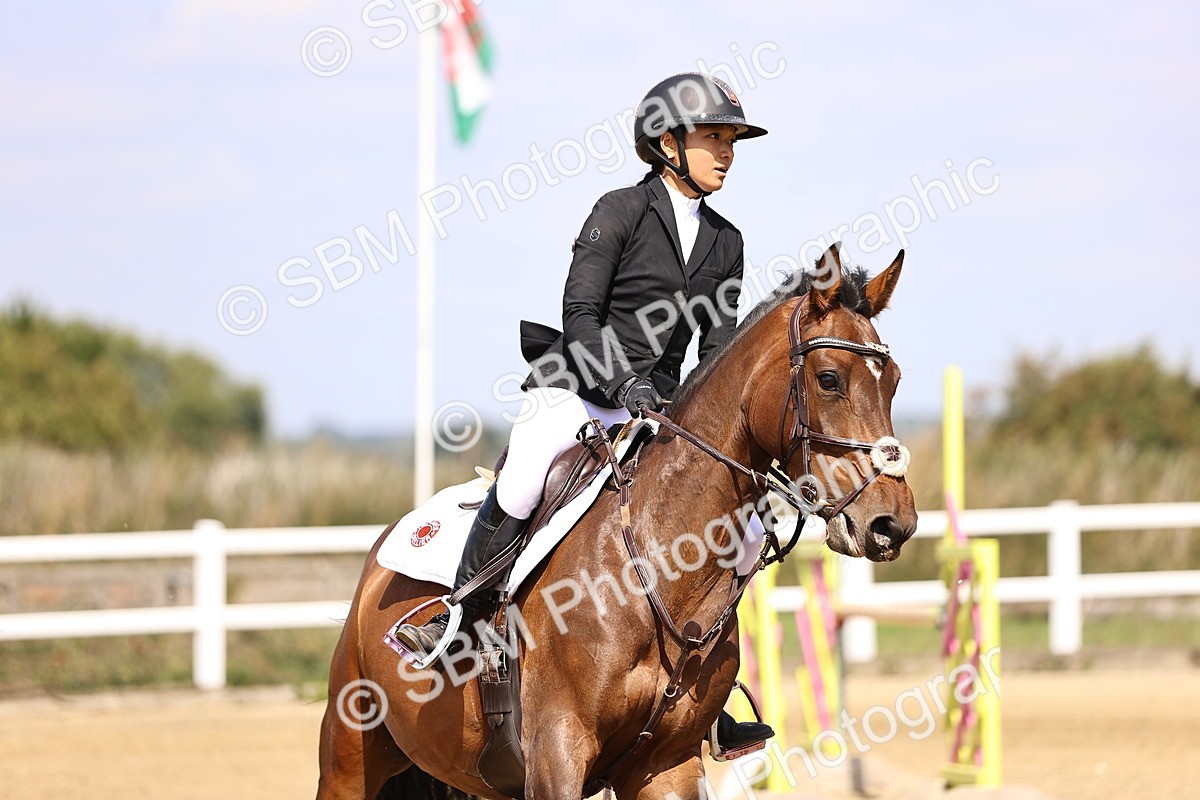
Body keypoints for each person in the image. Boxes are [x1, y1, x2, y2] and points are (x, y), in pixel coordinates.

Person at [392, 72, 774, 754]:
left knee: (743, 533)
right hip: (582, 387)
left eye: (732, 139)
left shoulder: (727, 241)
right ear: (666, 142)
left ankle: (702, 689)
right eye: (713, 136)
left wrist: (709, 424)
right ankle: (462, 619)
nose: (727, 151)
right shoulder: (620, 210)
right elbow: (580, 315)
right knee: (526, 469)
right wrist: (625, 386)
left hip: (662, 410)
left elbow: (717, 351)